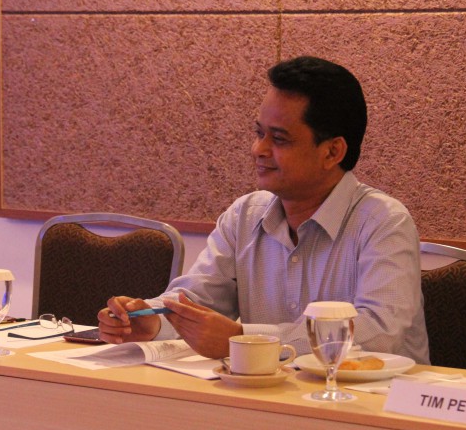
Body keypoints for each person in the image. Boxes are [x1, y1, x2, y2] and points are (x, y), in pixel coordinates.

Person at [98, 56, 429, 365]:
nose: (259, 149)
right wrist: (151, 319)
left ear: (332, 152)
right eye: (259, 133)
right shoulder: (244, 215)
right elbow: (198, 298)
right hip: (273, 393)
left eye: (280, 139)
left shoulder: (383, 222)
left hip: (372, 399)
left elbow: (379, 332)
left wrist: (246, 339)